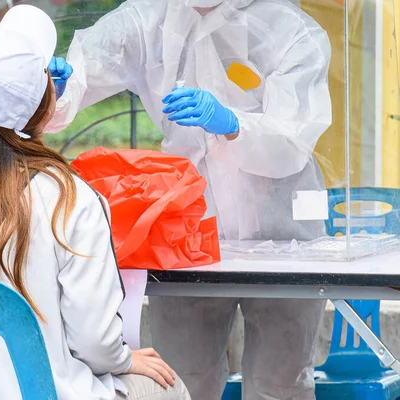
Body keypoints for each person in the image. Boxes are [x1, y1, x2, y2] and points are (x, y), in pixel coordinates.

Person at [0, 4, 191, 400]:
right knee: (168, 386)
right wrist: (124, 361)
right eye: (47, 75)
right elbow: (96, 342)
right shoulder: (71, 199)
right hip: (52, 393)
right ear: (47, 103)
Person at [47, 0, 332, 399]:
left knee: (280, 382)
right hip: (187, 230)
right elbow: (92, 58)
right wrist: (59, 85)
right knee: (181, 376)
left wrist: (235, 126)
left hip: (281, 228)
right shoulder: (152, 17)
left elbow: (294, 138)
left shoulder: (289, 30)